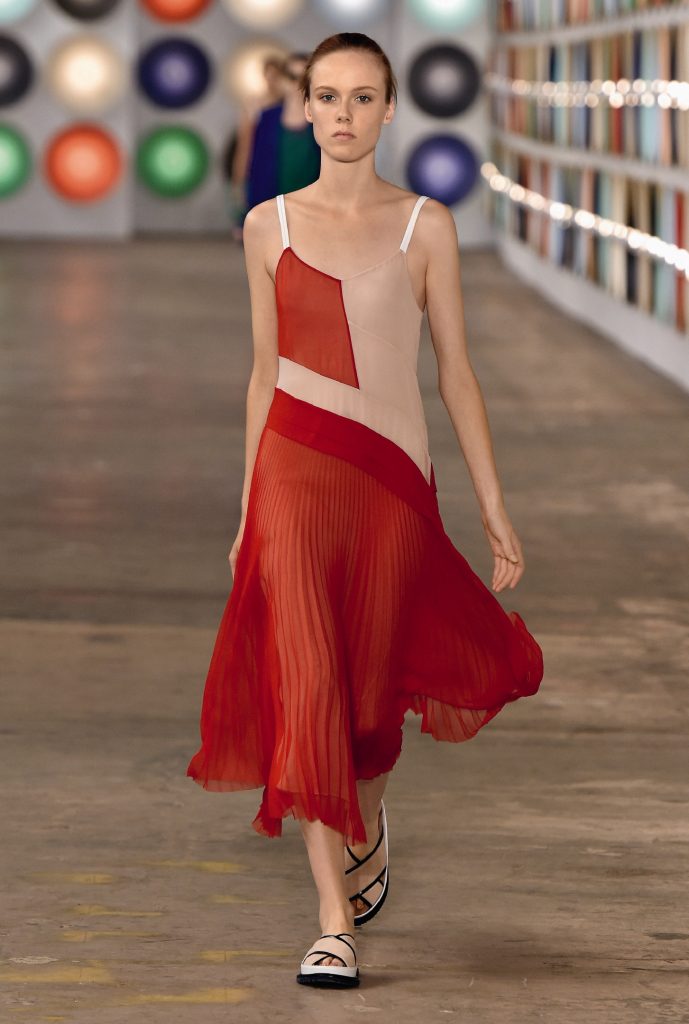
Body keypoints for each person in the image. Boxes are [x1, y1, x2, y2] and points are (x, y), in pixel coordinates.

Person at [187, 32, 544, 989]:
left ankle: (368, 826)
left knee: (371, 700)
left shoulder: (426, 226)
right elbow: (263, 375)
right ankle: (332, 921)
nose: (342, 114)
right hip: (293, 483)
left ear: (389, 110)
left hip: (391, 490)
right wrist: (247, 509)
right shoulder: (267, 226)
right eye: (327, 96)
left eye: (361, 97)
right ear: (305, 108)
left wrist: (492, 504)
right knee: (308, 688)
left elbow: (455, 373)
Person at [244, 51, 321, 211]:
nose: (297, 84)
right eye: (292, 77)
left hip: (312, 210)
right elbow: (254, 164)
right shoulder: (266, 118)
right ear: (283, 79)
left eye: (303, 78)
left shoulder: (322, 121)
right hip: (271, 208)